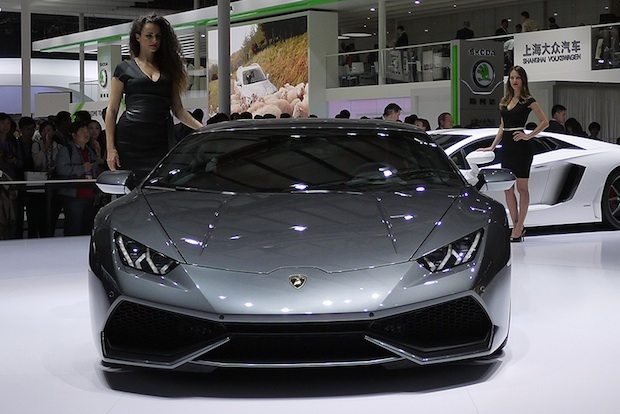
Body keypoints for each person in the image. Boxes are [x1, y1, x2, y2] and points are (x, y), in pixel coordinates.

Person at [105, 14, 203, 181]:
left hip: (160, 140)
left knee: (159, 188)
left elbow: (178, 110)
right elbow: (112, 110)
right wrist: (110, 148)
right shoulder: (124, 68)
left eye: (158, 36)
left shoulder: (169, 71)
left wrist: (202, 129)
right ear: (137, 37)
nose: (154, 40)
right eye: (149, 36)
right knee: (131, 192)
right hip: (129, 140)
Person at [479, 66, 548, 242]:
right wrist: (492, 147)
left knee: (522, 188)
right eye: (511, 78)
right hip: (507, 148)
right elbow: (502, 126)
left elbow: (544, 121)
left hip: (522, 148)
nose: (514, 81)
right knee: (508, 188)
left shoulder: (528, 100)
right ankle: (517, 225)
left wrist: (529, 135)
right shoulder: (503, 101)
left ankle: (518, 227)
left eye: (517, 78)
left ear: (523, 80)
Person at [55, 120, 99, 236]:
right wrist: (81, 169)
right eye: (82, 131)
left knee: (86, 228)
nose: (86, 133)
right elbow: (61, 170)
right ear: (74, 135)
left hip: (89, 195)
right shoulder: (66, 150)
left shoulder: (90, 151)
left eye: (87, 131)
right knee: (74, 228)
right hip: (74, 196)